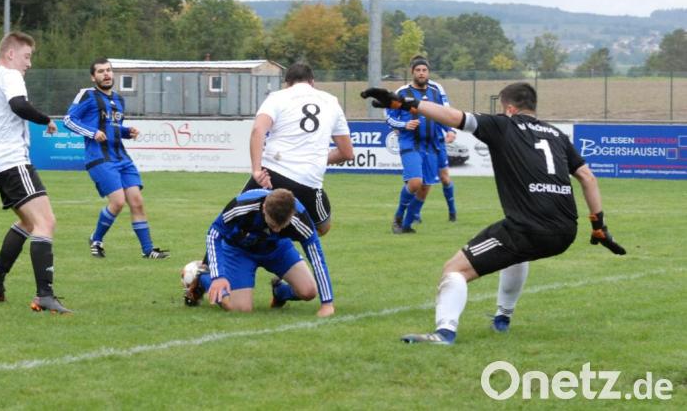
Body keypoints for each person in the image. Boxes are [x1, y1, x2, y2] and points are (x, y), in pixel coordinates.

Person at [362, 83, 626, 345]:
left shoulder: (503, 124)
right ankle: (502, 318)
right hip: (566, 231)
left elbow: (453, 116)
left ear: (509, 108)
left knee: (454, 269)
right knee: (516, 253)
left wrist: (404, 103)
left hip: (527, 228)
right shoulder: (557, 135)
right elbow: (588, 178)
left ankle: (444, 333)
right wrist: (598, 226)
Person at [0, 31, 71, 314]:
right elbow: (19, 105)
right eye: (27, 56)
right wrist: (46, 120)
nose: (29, 63)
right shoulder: (10, 75)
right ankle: (44, 295)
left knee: (29, 224)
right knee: (46, 223)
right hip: (12, 160)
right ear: (11, 54)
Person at [63, 57, 169, 260]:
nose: (106, 74)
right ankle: (96, 239)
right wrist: (92, 132)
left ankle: (148, 250)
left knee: (137, 202)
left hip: (121, 157)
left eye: (109, 70)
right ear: (93, 77)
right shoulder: (87, 95)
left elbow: (111, 128)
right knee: (118, 201)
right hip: (100, 158)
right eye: (101, 71)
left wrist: (127, 131)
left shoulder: (119, 100)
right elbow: (69, 120)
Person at [182, 188, 336, 317]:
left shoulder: (300, 218)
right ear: (264, 208)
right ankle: (204, 278)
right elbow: (214, 233)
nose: (276, 229)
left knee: (309, 291)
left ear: (291, 214)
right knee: (241, 309)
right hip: (240, 251)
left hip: (277, 248)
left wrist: (327, 304)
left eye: (281, 226)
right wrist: (218, 277)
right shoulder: (242, 206)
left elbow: (317, 258)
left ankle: (280, 291)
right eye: (272, 224)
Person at [243, 63, 354, 237]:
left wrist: (257, 170)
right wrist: (313, 158)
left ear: (287, 83)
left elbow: (258, 130)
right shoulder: (331, 101)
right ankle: (279, 240)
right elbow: (347, 153)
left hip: (271, 173)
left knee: (235, 217)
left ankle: (206, 263)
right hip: (307, 180)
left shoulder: (277, 97)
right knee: (322, 227)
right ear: (312, 82)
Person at [387, 56, 455, 234]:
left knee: (425, 188)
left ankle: (407, 225)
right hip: (410, 143)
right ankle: (398, 217)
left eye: (424, 70)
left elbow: (444, 114)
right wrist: (404, 125)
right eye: (418, 70)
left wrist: (450, 130)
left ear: (428, 72)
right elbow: (389, 117)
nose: (421, 73)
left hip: (431, 144)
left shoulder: (435, 91)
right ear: (412, 72)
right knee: (415, 182)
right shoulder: (401, 93)